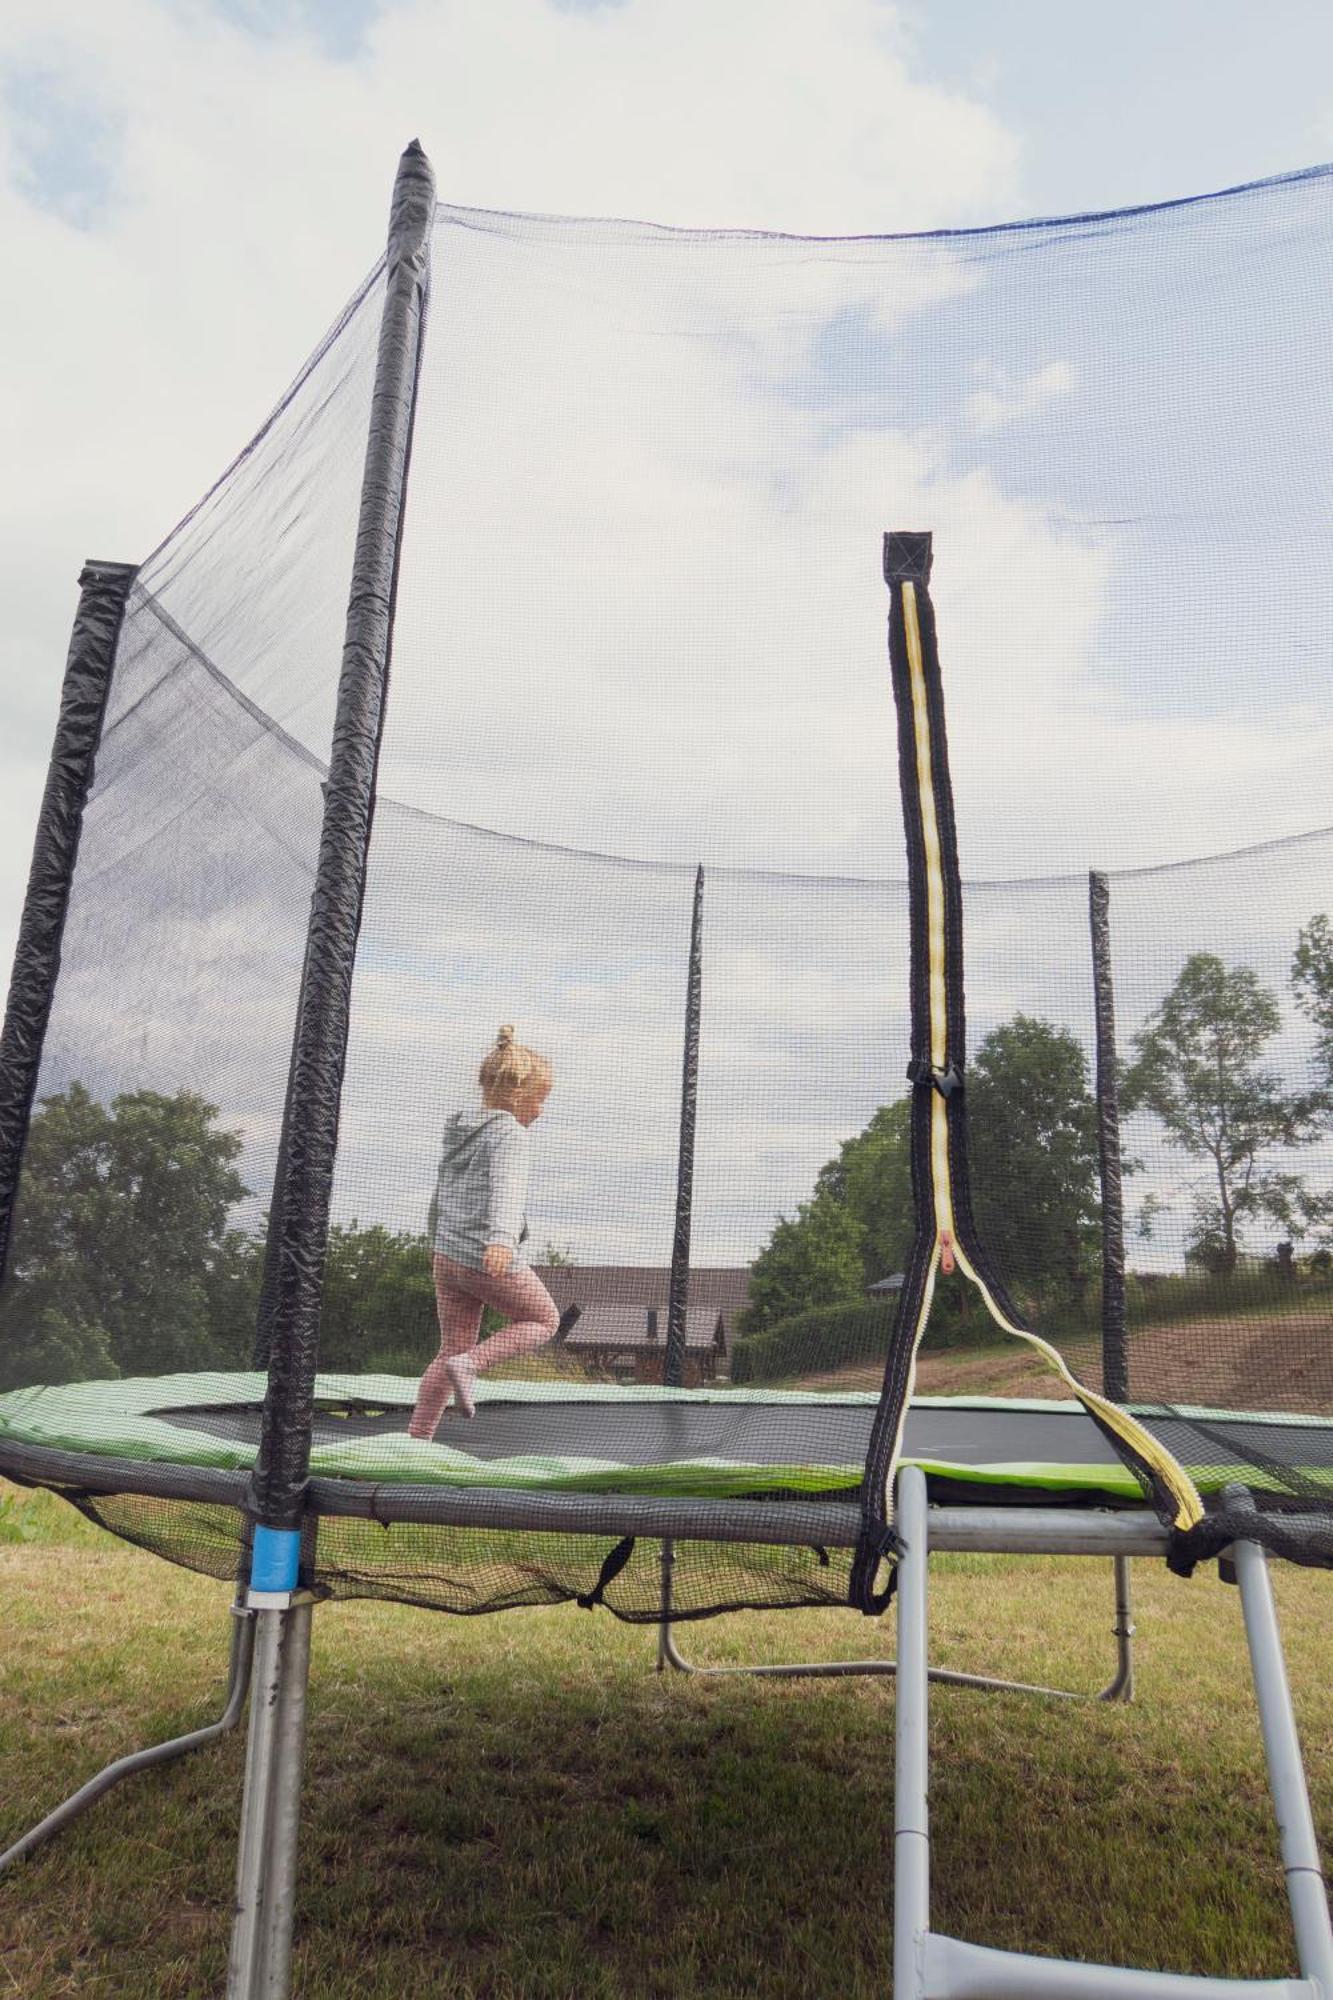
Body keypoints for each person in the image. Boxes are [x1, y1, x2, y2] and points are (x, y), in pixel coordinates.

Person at [409, 1025, 559, 1436]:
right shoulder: (509, 1132)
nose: (541, 1111)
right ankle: (470, 1366)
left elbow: (442, 1191)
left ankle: (416, 1440)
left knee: (450, 1348)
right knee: (544, 1320)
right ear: (516, 1096)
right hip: (484, 1253)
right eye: (539, 1100)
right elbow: (506, 1189)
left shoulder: (458, 1130)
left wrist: (436, 1242)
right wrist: (502, 1241)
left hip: (447, 1256)